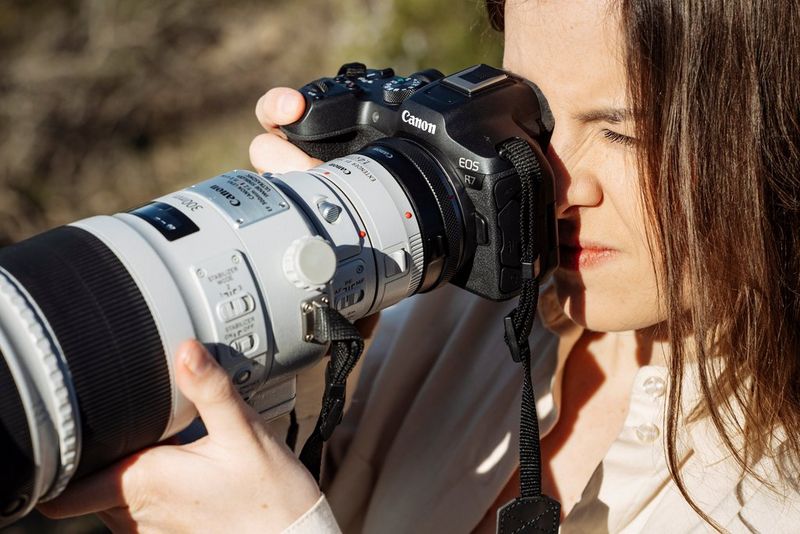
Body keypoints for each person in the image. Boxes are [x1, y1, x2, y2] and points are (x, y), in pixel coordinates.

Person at [39, 0, 800, 532]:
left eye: (625, 133)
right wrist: (288, 373)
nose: (551, 182)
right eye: (531, 114)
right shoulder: (463, 297)